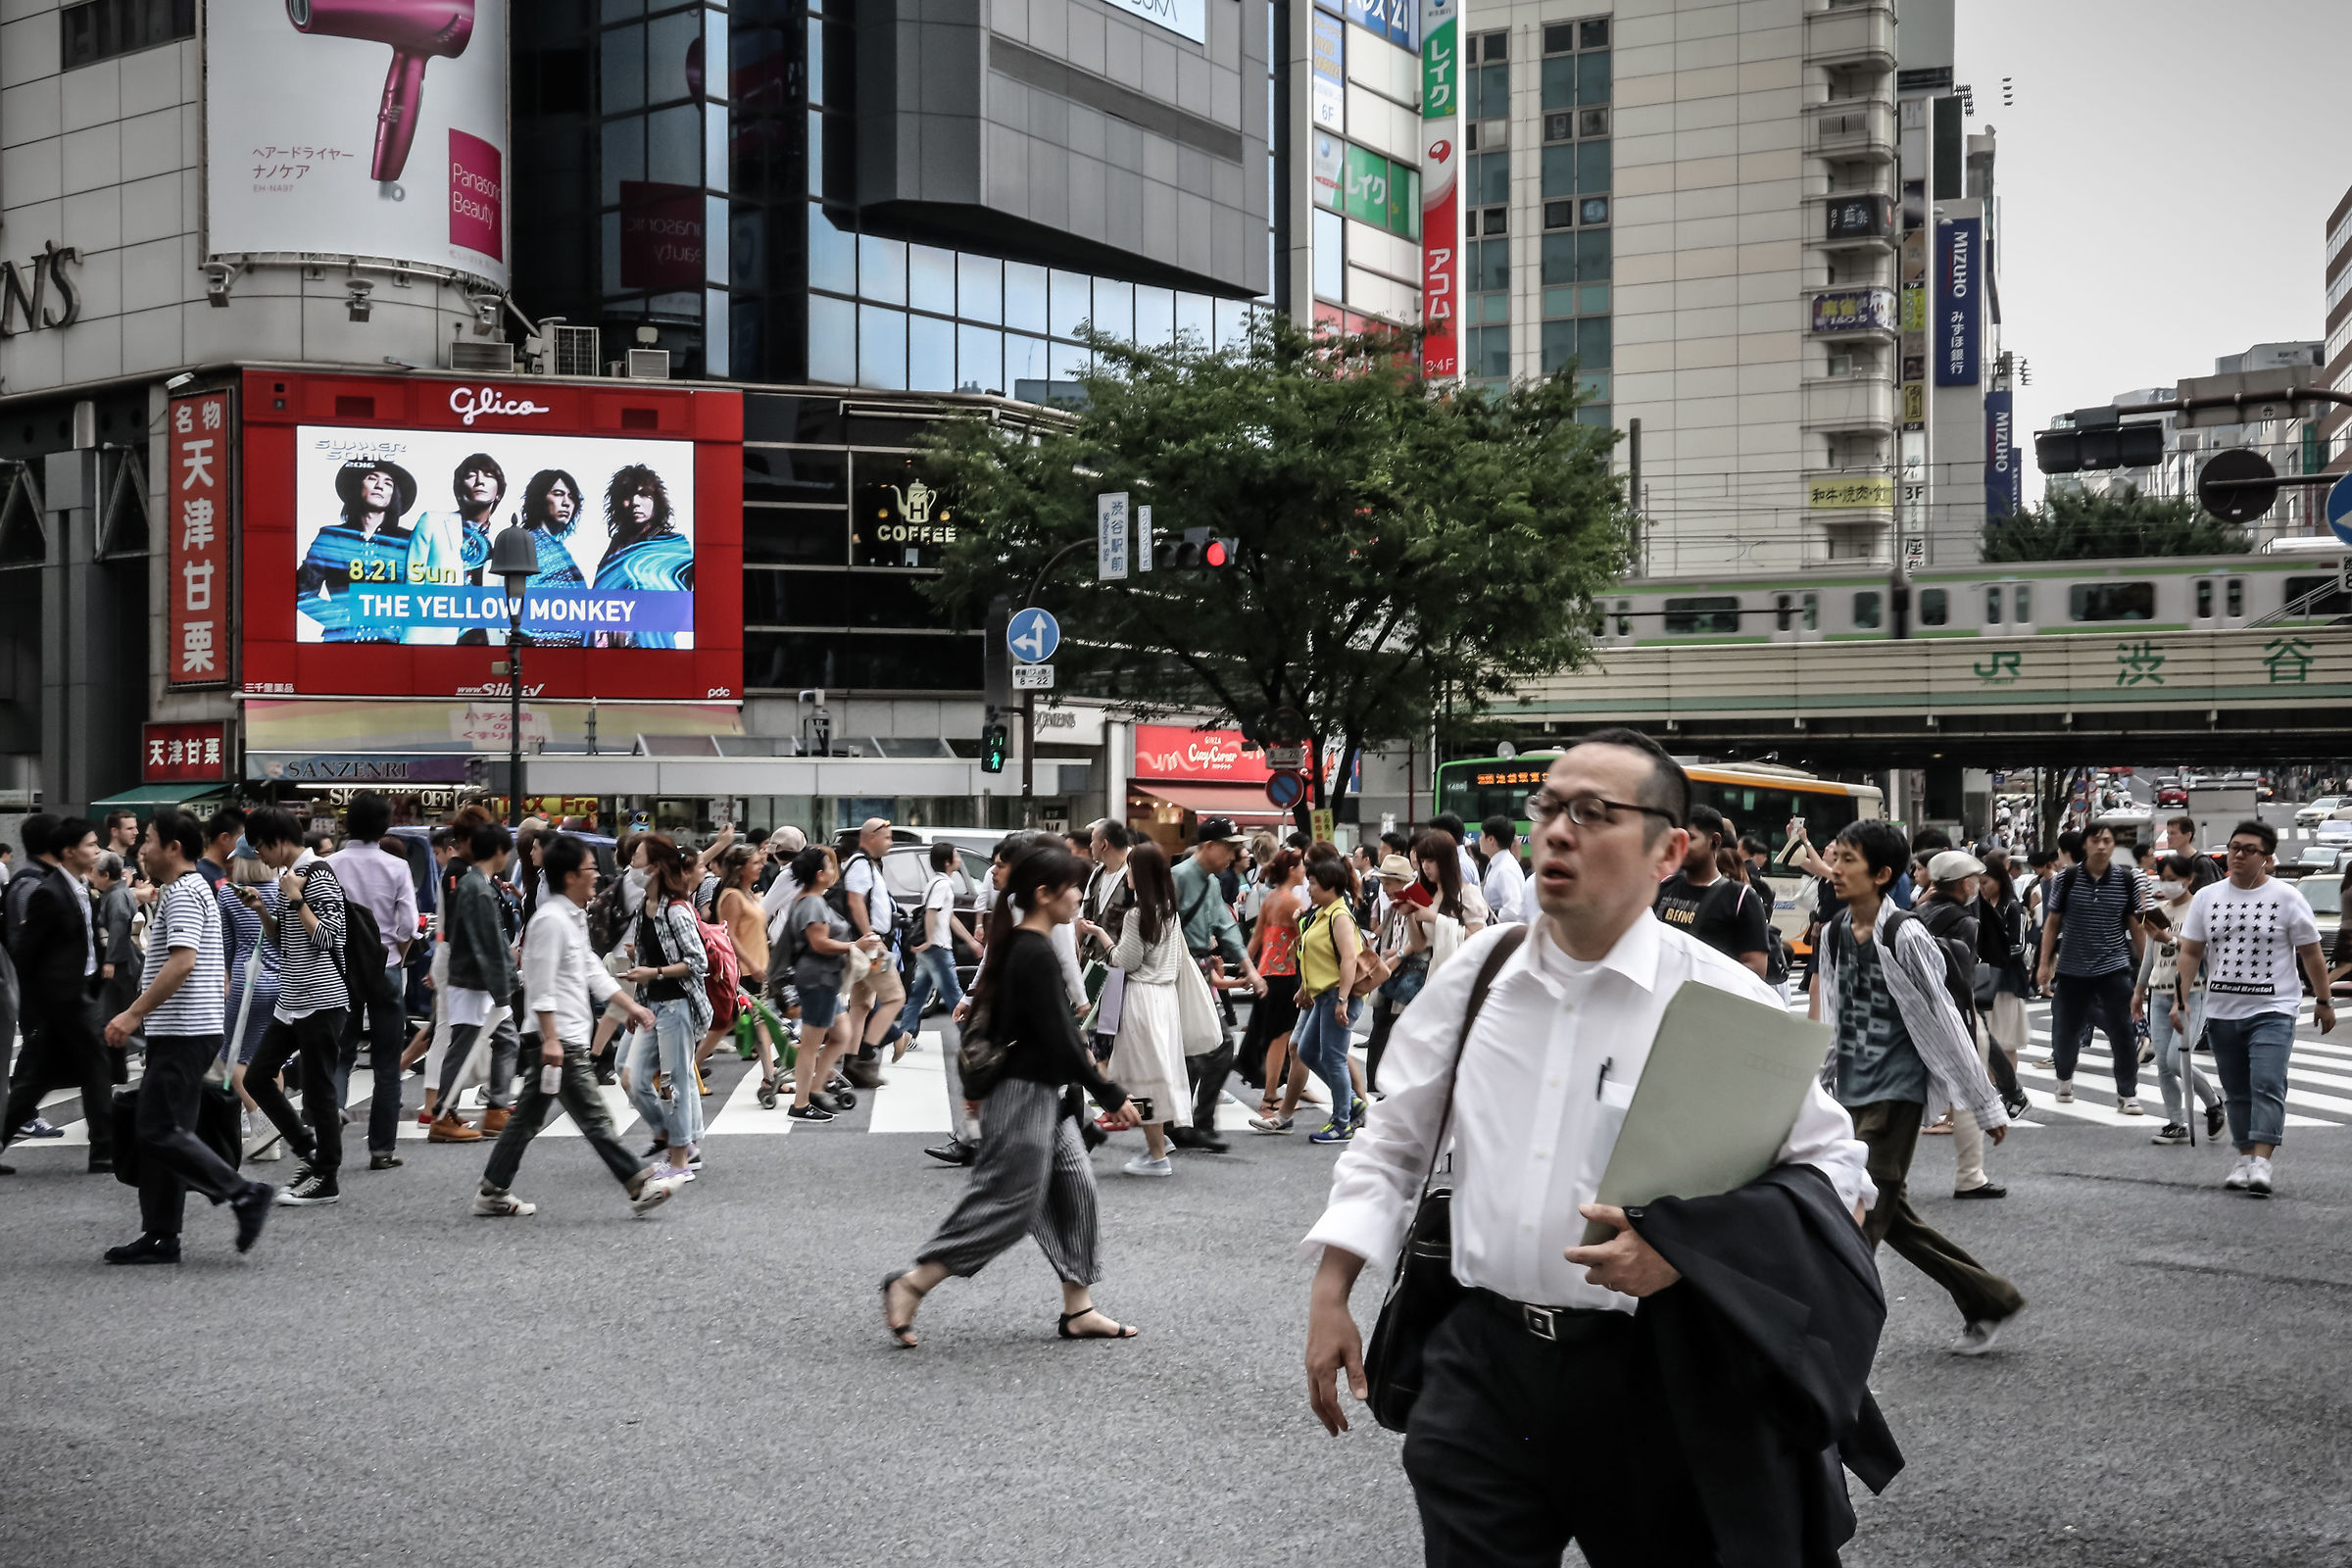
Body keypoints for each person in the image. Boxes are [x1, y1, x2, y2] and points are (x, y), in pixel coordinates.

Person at [1300, 730, 1883, 1563]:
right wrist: (1333, 1288)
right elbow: (1396, 1138)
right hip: (1483, 1365)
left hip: (1657, 1380)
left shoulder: (1723, 1003)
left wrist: (1687, 1249)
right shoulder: (1479, 976)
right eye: (1548, 809)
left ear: (1669, 849)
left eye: (1594, 813)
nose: (1558, 830)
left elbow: (1836, 1172)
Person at [880, 845, 1144, 1348]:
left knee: (1076, 1193)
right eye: (1073, 889)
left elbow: (1047, 1029)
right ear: (1044, 895)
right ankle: (911, 1283)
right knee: (1009, 1205)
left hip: (1043, 1094)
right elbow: (1059, 1039)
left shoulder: (1028, 943)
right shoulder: (1031, 949)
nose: (1079, 899)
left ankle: (1078, 1308)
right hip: (1022, 1094)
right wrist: (1108, 1092)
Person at [1816, 819, 2023, 1352]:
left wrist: (1987, 1103)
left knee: (1856, 1219)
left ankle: (1825, 1339)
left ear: (1882, 874)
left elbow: (1946, 1019)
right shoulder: (1833, 931)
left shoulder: (1904, 933)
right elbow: (1836, 1016)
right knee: (1891, 1213)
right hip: (1852, 1092)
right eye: (1834, 858)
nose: (1834, 869)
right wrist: (1817, 1083)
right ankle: (1987, 1297)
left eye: (1846, 861)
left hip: (1898, 1091)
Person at [472, 833, 685, 1218]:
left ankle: (493, 1190)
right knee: (595, 1118)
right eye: (590, 869)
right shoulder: (551, 921)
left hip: (560, 1036)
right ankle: (638, 1184)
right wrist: (551, 1038)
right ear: (570, 875)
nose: (597, 877)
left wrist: (629, 1006)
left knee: (526, 1120)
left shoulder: (571, 917)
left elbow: (590, 969)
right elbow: (540, 984)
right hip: (558, 1038)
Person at [99, 810, 276, 1261]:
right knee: (162, 1131)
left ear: (174, 848)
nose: (143, 849)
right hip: (183, 1029)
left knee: (156, 1128)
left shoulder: (183, 893)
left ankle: (241, 1193)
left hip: (184, 1031)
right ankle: (161, 1235)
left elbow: (183, 961)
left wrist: (132, 1014)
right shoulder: (190, 890)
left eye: (151, 840)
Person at [2177, 819, 2334, 1198]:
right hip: (2223, 1009)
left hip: (2273, 1009)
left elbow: (2310, 953)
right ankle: (2244, 1157)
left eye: (2249, 850)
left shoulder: (2286, 897)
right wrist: (2180, 1000)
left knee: (2267, 1082)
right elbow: (2191, 952)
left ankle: (2262, 1161)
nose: (2239, 855)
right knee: (2236, 1090)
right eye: (2233, 847)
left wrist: (2324, 1000)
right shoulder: (2208, 897)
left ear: (2266, 858)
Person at [235, 806, 351, 1207]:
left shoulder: (317, 875)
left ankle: (327, 1176)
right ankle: (311, 1153)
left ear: (278, 842)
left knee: (319, 1091)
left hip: (322, 997)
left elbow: (330, 939)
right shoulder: (290, 878)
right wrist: (264, 912)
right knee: (257, 1077)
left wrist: (297, 898)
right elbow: (286, 943)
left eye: (260, 848)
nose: (259, 858)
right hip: (294, 998)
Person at [0, 816, 115, 1174]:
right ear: (69, 851)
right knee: (97, 1068)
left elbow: (88, 939)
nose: (98, 850)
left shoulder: (82, 887)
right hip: (63, 1001)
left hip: (79, 995)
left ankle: (102, 1151)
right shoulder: (47, 892)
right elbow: (25, 951)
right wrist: (42, 1001)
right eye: (92, 844)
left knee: (36, 1080)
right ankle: (104, 1151)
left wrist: (100, 967)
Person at [328, 793, 416, 1171]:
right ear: (384, 826)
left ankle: (331, 1115)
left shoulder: (328, 864)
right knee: (386, 1059)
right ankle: (382, 1149)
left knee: (340, 1051)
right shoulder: (396, 867)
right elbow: (410, 925)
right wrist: (397, 950)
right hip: (386, 966)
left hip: (340, 967)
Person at [1167, 818, 1267, 1152]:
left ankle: (1189, 1122)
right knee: (1209, 1045)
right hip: (1178, 971)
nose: (1234, 855)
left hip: (1200, 970)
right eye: (1228, 847)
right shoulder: (1178, 879)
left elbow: (1226, 928)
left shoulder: (1210, 882)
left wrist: (1250, 969)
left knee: (1207, 1046)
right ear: (1208, 847)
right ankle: (1188, 1122)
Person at [2036, 822, 2148, 1111]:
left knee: (2123, 1032)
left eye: (2107, 841)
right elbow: (2052, 923)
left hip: (2113, 966)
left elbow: (2136, 926)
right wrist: (2044, 964)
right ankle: (2064, 1077)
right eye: (2096, 841)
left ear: (2114, 845)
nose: (2101, 846)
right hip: (2073, 969)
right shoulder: (2067, 879)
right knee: (2065, 1032)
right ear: (2085, 845)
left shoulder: (2126, 880)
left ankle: (2127, 1093)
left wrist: (2147, 970)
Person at [1913, 850, 2004, 1200]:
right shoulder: (1964, 921)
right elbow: (1960, 979)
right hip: (1953, 1016)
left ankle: (1887, 1174)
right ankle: (1971, 1176)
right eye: (1975, 883)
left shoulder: (1916, 913)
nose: (1977, 889)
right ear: (1965, 884)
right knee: (1968, 1091)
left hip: (1916, 1017)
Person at [619, 834, 710, 1176]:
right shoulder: (644, 909)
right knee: (630, 1076)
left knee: (673, 1084)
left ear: (655, 867)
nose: (632, 866)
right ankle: (675, 1139)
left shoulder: (677, 910)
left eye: (638, 859)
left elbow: (697, 961)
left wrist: (654, 972)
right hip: (652, 1006)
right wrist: (636, 1005)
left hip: (677, 1006)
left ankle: (680, 1160)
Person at [1106, 843, 1194, 1177]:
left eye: (1130, 869)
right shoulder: (1169, 911)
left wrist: (1104, 940)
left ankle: (1157, 1155)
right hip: (1165, 998)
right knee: (1159, 1072)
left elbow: (1126, 961)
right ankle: (1157, 1144)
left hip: (1141, 998)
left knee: (1143, 1078)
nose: (1126, 874)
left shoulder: (1137, 914)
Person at [431, 821, 521, 1145]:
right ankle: (445, 1114)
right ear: (499, 852)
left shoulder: (477, 883)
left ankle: (494, 1108)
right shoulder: (478, 887)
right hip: (474, 982)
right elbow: (488, 944)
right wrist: (504, 987)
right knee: (465, 1045)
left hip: (473, 980)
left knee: (502, 1040)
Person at [2134, 853, 2226, 1147]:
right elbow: (2150, 955)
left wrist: (2169, 939)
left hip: (2192, 991)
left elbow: (2203, 950)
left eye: (2174, 879)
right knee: (2163, 1064)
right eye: (2164, 879)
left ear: (2189, 879)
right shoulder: (2158, 910)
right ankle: (2176, 1122)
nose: (2168, 884)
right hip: (2158, 993)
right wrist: (2138, 992)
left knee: (2178, 1059)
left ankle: (2213, 1103)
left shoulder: (2200, 909)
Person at [782, 844, 868, 1123]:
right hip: (816, 978)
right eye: (830, 866)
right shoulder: (812, 903)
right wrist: (855, 945)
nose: (834, 871)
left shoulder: (813, 898)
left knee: (841, 1034)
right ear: (819, 874)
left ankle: (816, 1089)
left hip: (825, 979)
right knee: (810, 1044)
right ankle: (800, 1104)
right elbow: (818, 943)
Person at [1282, 858, 1366, 1145]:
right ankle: (1352, 1103)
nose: (1310, 889)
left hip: (1336, 996)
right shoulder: (1322, 912)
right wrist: (1306, 988)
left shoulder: (1339, 916)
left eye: (1314, 884)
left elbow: (1349, 958)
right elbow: (1314, 955)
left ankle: (1342, 1121)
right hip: (1323, 995)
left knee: (1333, 1057)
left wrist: (1342, 999)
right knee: (1307, 1052)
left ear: (1330, 885)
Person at [297, 458, 418, 641]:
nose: (379, 486)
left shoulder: (409, 541)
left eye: (388, 483)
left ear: (394, 495)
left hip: (394, 645)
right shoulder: (332, 536)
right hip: (340, 645)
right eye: (372, 478)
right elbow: (300, 591)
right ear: (359, 487)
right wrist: (343, 617)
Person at [1650, 804, 1771, 976]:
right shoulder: (1664, 887)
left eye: (1690, 838)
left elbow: (1756, 970)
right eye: (1677, 837)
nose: (1679, 845)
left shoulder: (1742, 898)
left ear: (1714, 842)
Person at [713, 843, 788, 1106]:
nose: (762, 866)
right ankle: (691, 1068)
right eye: (755, 863)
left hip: (759, 966)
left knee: (762, 1024)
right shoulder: (732, 896)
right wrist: (752, 965)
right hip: (745, 970)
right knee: (729, 1025)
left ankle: (770, 1077)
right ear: (739, 867)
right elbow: (728, 936)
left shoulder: (747, 893)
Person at [839, 817, 908, 1087]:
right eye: (887, 838)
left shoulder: (867, 864)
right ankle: (865, 1054)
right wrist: (870, 935)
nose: (890, 843)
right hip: (870, 947)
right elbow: (855, 901)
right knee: (895, 997)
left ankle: (851, 1063)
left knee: (863, 1004)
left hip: (870, 945)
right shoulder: (859, 864)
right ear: (871, 838)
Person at [592, 465, 693, 648]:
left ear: (656, 501)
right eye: (627, 496)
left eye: (643, 494)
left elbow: (680, 609)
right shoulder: (615, 548)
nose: (635, 502)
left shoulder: (673, 546)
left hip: (653, 651)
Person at [1238, 850, 1304, 1112]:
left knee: (1270, 1033)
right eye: (1301, 867)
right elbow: (1305, 941)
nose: (1304, 871)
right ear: (1291, 871)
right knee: (1280, 1037)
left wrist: (1248, 969)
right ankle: (1270, 1096)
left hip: (1266, 971)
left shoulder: (1272, 898)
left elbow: (1256, 939)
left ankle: (1272, 1092)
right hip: (1285, 975)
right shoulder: (1293, 903)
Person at [1974, 851, 2034, 1108]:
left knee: (2006, 1041)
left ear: (1999, 879)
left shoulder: (2012, 907)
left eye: (1986, 882)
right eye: (1979, 883)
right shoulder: (1983, 908)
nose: (1982, 888)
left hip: (2007, 981)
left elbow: (2019, 945)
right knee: (1987, 1040)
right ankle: (1993, 1092)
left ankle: (2008, 1091)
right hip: (1988, 980)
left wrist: (1991, 956)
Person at [515, 468, 589, 647]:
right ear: (540, 498)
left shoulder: (556, 547)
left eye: (571, 497)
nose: (566, 503)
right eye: (558, 494)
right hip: (540, 653)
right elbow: (513, 605)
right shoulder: (526, 543)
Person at [93, 851, 143, 1080]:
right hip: (125, 960)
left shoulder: (116, 896)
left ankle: (119, 1067)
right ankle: (118, 1069)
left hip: (122, 962)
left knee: (116, 1014)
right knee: (120, 1013)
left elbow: (118, 925)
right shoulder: (119, 892)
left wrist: (111, 960)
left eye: (95, 872)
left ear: (104, 874)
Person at [1477, 814, 1526, 927]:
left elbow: (1513, 910)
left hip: (1502, 933)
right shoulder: (1498, 865)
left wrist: (1489, 914)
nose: (1479, 840)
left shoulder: (1505, 869)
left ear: (1491, 839)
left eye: (1481, 835)